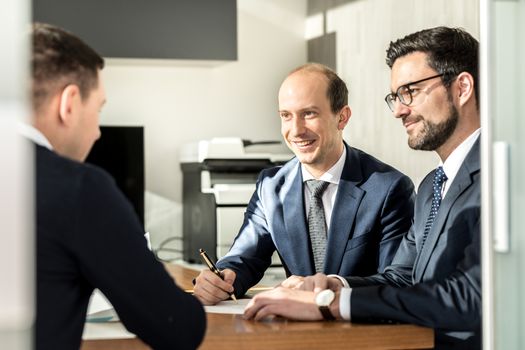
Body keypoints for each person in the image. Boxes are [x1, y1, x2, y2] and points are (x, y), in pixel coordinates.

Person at [244, 27, 481, 349]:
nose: (398, 110)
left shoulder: (503, 178)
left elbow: (471, 297)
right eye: (395, 97)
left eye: (410, 91)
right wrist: (334, 286)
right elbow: (402, 278)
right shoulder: (432, 186)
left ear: (462, 87)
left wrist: (329, 304)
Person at [25, 23, 205, 350]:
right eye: (98, 110)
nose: (96, 133)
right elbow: (179, 328)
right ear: (70, 102)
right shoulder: (79, 189)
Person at [194, 63, 415, 305]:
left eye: (309, 113)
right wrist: (224, 278)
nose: (296, 130)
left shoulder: (389, 188)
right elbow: (245, 257)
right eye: (286, 116)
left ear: (342, 117)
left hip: (358, 329)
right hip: (294, 331)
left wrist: (330, 288)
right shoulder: (271, 186)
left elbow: (397, 280)